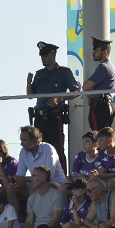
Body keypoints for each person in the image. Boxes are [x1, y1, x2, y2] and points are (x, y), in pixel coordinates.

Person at [27, 40, 80, 170]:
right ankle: (40, 174)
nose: (43, 59)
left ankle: (61, 176)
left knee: (57, 147)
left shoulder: (64, 72)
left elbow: (76, 91)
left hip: (54, 116)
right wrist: (28, 82)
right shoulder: (39, 74)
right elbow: (30, 95)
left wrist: (60, 98)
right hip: (39, 116)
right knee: (38, 148)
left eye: (45, 55)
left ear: (53, 55)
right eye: (41, 56)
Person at [82, 34, 115, 132]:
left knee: (98, 136)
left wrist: (92, 90)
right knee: (103, 136)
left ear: (105, 52)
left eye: (96, 50)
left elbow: (85, 87)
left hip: (99, 106)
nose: (93, 52)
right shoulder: (109, 67)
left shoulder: (104, 67)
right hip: (104, 105)